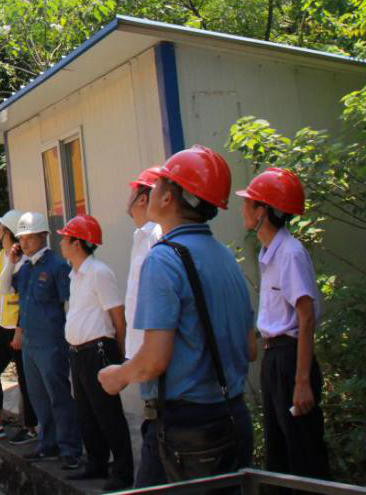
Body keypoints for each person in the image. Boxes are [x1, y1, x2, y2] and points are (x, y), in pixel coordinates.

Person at [98, 145, 256, 487]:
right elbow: (251, 349)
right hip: (233, 418)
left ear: (168, 198)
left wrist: (119, 375)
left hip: (186, 431)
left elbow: (154, 361)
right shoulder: (227, 258)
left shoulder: (163, 259)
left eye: (156, 185)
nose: (148, 192)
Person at [237, 168, 330, 480]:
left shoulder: (290, 252)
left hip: (291, 359)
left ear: (262, 212)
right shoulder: (268, 253)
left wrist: (301, 381)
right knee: (279, 454)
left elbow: (306, 318)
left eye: (248, 202)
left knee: (303, 454)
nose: (243, 209)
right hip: (274, 358)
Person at [58, 215, 133, 491]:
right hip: (78, 352)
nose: (62, 242)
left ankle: (124, 472)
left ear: (77, 243)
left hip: (98, 351)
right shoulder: (75, 274)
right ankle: (97, 463)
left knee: (107, 413)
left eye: (66, 238)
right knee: (86, 412)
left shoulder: (99, 272)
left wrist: (121, 356)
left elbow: (118, 316)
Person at [13, 211, 83, 469]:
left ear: (44, 236)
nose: (24, 243)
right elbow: (20, 302)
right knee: (38, 396)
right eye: (22, 238)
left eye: (30, 238)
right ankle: (47, 443)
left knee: (59, 395)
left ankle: (70, 448)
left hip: (52, 341)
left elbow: (70, 303)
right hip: (31, 341)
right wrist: (19, 332)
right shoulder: (25, 267)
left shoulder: (57, 266)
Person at [0, 210, 39, 442]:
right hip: (2, 326)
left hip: (16, 329)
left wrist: (18, 329)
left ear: (7, 231)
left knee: (25, 380)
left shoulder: (21, 261)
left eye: (1, 226)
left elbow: (23, 299)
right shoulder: (6, 257)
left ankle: (31, 427)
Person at [125, 167, 164, 359]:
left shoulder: (157, 235)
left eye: (133, 191)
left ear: (142, 198)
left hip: (152, 352)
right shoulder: (141, 236)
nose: (129, 197)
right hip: (141, 350)